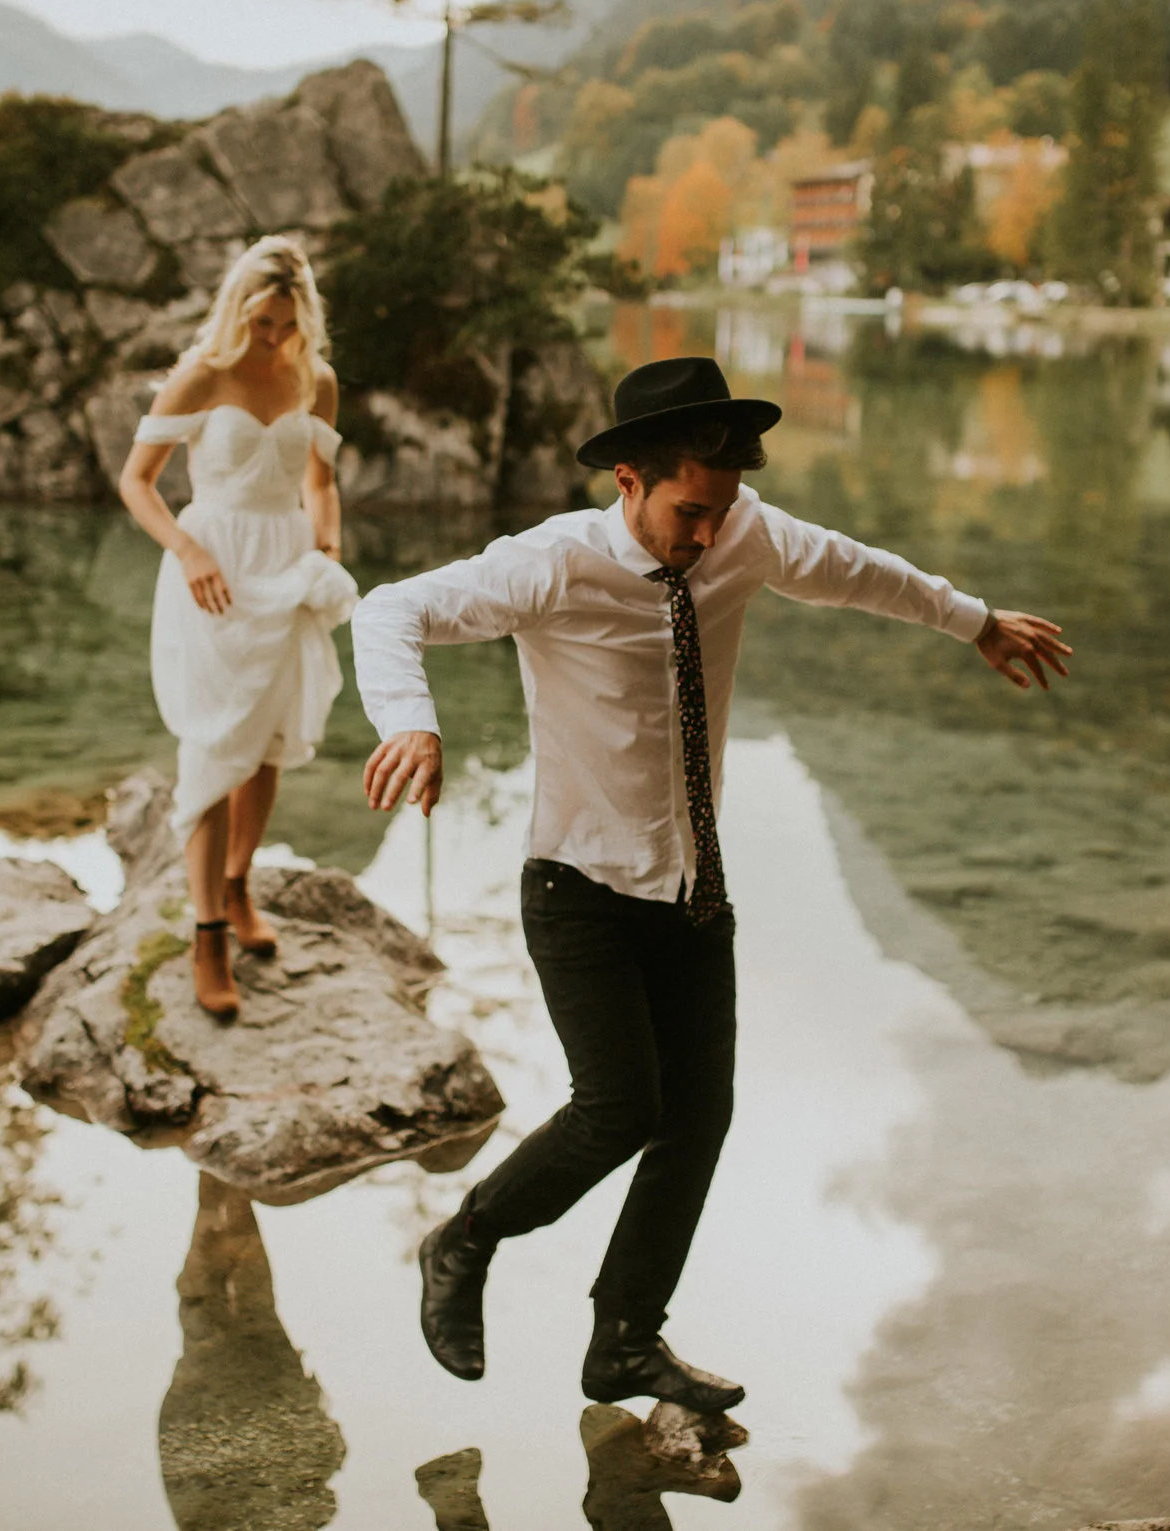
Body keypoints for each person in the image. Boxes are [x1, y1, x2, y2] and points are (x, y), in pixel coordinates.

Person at [354, 356, 1070, 1410]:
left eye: (720, 509)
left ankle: (625, 1340)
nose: (706, 533)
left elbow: (859, 570)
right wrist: (409, 718)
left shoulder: (743, 531)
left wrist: (974, 620)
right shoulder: (552, 563)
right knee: (617, 1109)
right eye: (688, 510)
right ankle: (462, 1241)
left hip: (692, 889)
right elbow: (389, 610)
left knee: (697, 1117)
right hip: (578, 886)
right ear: (627, 483)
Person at [120, 235, 357, 1020]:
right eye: (261, 321)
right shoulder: (202, 374)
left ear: (304, 317)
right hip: (213, 570)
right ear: (238, 308)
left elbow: (321, 481)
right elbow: (137, 481)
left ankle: (237, 879)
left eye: (286, 324)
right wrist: (187, 548)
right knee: (216, 745)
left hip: (284, 563)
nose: (272, 338)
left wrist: (327, 544)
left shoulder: (315, 381)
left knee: (267, 745)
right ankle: (208, 933)